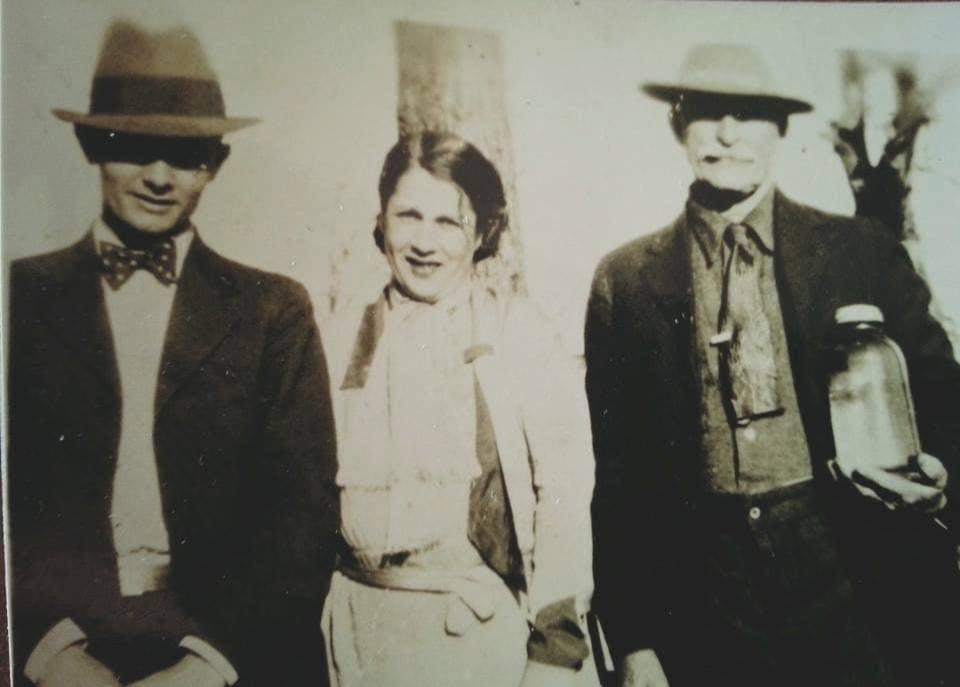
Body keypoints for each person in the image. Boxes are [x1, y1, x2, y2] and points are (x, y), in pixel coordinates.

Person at [585, 44, 960, 687]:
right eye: (707, 113)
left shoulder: (858, 250)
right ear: (678, 124)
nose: (728, 134)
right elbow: (619, 478)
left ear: (780, 129)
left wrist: (941, 472)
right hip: (709, 598)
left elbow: (943, 397)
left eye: (750, 114)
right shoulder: (625, 282)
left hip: (850, 574)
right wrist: (636, 639)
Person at [8, 21, 339, 687]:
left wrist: (208, 666)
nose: (159, 177)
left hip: (228, 654)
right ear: (91, 146)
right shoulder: (18, 299)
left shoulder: (275, 311)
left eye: (185, 155)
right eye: (134, 148)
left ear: (215, 163)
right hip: (56, 647)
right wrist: (49, 651)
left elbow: (300, 519)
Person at [321, 131, 598, 687]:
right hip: (357, 636)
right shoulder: (338, 334)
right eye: (408, 216)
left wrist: (554, 650)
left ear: (482, 232)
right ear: (382, 221)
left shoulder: (519, 332)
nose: (425, 242)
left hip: (480, 636)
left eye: (449, 222)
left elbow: (564, 498)